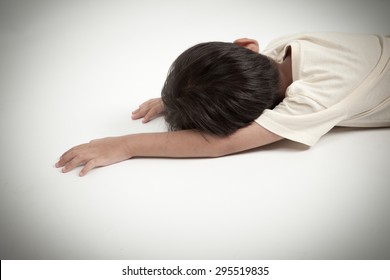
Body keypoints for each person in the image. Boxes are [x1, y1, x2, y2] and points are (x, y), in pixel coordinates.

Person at [55, 33, 390, 176]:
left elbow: (224, 144)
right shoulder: (290, 46)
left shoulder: (315, 98)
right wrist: (179, 98)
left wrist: (126, 145)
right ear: (247, 46)